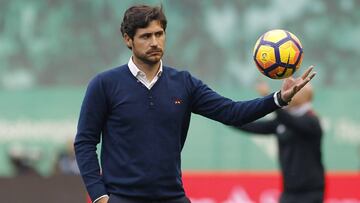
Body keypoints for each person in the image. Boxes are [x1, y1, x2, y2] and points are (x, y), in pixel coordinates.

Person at [74, 4, 316, 203]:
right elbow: (85, 142)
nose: (155, 42)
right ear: (128, 39)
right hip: (122, 199)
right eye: (145, 36)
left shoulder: (184, 83)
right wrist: (99, 196)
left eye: (159, 34)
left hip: (172, 197)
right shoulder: (104, 84)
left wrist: (279, 99)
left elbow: (232, 113)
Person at [235, 82, 324, 203]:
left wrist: (271, 98)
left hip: (310, 192)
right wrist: (228, 117)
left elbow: (291, 121)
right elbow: (252, 126)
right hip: (289, 191)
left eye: (296, 91)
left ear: (306, 97)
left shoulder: (311, 120)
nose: (291, 93)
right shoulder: (282, 121)